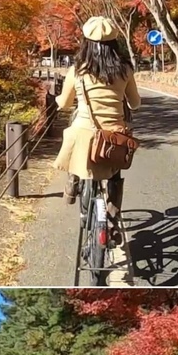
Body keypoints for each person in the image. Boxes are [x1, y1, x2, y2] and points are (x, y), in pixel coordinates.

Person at [53, 16, 141, 234]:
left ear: (87, 43)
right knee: (114, 174)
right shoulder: (125, 70)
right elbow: (135, 103)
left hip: (84, 132)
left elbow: (64, 104)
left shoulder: (78, 71)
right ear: (114, 43)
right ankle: (112, 218)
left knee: (74, 143)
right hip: (114, 137)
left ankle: (72, 187)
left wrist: (56, 100)